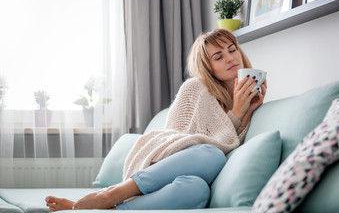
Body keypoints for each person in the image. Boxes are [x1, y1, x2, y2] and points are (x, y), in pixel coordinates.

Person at [45, 28, 267, 211]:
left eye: (232, 50)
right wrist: (237, 112)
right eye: (219, 56)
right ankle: (113, 193)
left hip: (189, 177)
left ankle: (111, 209)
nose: (230, 58)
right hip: (164, 164)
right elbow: (177, 138)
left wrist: (245, 111)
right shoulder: (195, 88)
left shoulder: (245, 103)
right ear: (208, 67)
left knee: (198, 190)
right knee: (210, 153)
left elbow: (230, 144)